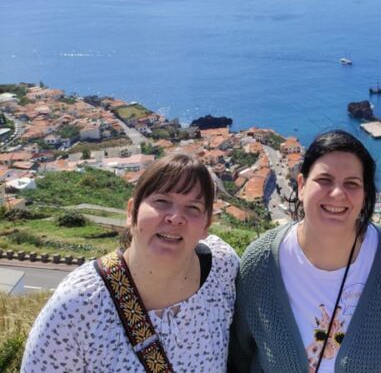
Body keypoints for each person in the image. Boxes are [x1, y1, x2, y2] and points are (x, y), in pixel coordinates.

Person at [228, 129, 381, 373]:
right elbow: (240, 359)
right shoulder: (260, 263)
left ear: (365, 195)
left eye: (352, 183)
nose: (338, 194)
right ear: (301, 185)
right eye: (324, 180)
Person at [22, 153, 238, 372]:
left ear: (206, 225)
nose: (175, 217)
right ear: (131, 212)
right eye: (162, 201)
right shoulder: (79, 304)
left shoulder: (222, 267)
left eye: (193, 208)